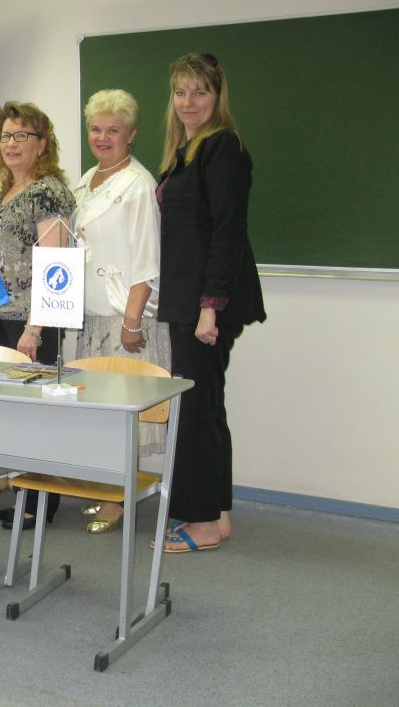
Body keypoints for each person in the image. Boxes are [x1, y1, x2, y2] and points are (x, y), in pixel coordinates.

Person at [156, 53, 266, 553]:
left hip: (206, 304)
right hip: (189, 299)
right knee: (206, 406)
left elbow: (226, 231)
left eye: (199, 92)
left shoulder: (223, 148)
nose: (189, 102)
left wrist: (210, 306)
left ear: (217, 96)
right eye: (181, 92)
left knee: (196, 413)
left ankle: (200, 525)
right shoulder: (184, 152)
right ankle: (216, 516)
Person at [72, 89, 172, 534]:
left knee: (122, 413)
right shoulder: (86, 179)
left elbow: (147, 260)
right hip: (92, 317)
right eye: (96, 129)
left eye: (113, 130)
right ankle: (109, 488)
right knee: (101, 412)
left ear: (131, 135)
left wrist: (132, 323)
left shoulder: (138, 184)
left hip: (125, 319)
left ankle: (118, 500)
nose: (102, 137)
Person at [0, 101, 75, 530]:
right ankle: (26, 495)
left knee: (37, 415)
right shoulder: (6, 190)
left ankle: (41, 505)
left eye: (22, 135)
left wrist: (35, 329)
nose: (11, 143)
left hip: (34, 323)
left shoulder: (47, 192)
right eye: (6, 135)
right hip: (6, 319)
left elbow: (55, 268)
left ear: (42, 144)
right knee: (17, 414)